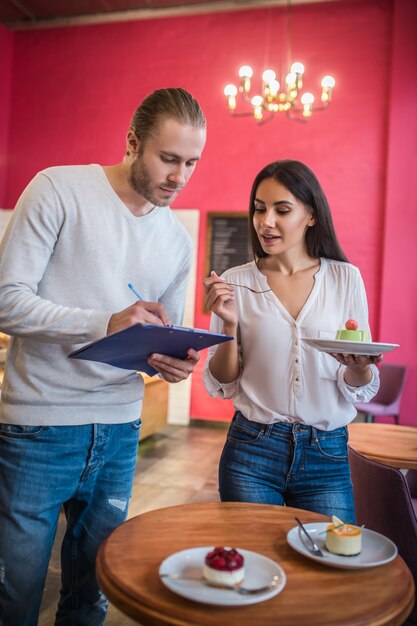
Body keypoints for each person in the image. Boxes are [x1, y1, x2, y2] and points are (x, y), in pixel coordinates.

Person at [0, 87, 206, 625]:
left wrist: (172, 361)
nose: (178, 177)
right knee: (14, 595)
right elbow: (6, 299)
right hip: (39, 428)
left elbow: (165, 335)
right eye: (168, 158)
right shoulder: (57, 189)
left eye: (191, 163)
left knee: (91, 595)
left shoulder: (178, 242)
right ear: (133, 142)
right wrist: (104, 321)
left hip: (119, 429)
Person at [203, 159, 381, 524]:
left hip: (326, 453)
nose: (266, 221)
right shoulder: (235, 282)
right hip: (251, 450)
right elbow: (224, 383)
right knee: (254, 567)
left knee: (329, 569)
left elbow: (356, 385)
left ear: (311, 216)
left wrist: (360, 368)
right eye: (259, 209)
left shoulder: (345, 279)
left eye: (282, 210)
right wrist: (227, 325)